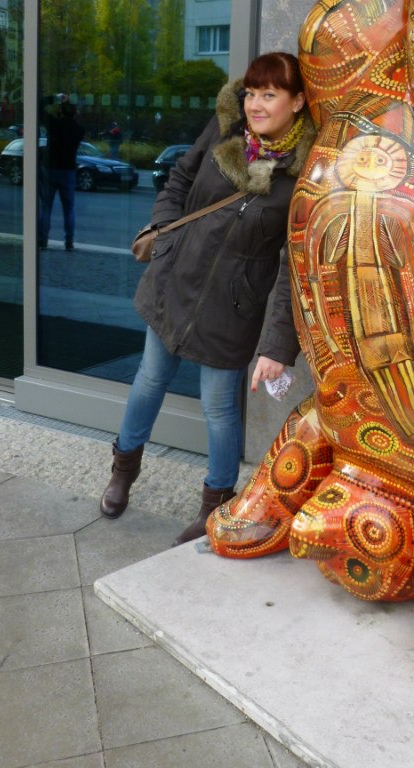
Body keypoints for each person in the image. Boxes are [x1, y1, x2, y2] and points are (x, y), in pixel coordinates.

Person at [99, 52, 316, 546]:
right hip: (176, 281)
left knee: (219, 407)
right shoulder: (223, 130)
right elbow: (178, 179)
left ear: (297, 101)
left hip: (232, 309)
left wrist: (277, 347)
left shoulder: (306, 174)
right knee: (149, 379)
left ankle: (215, 507)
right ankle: (123, 470)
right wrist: (166, 236)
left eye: (270, 94)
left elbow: (295, 266)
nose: (255, 104)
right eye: (252, 92)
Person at [39, 95, 85, 251]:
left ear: (60, 111)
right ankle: (69, 242)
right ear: (75, 113)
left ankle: (43, 240)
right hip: (68, 170)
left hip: (50, 168)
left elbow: (39, 107)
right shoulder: (79, 129)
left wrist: (55, 97)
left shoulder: (54, 124)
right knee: (69, 209)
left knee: (46, 207)